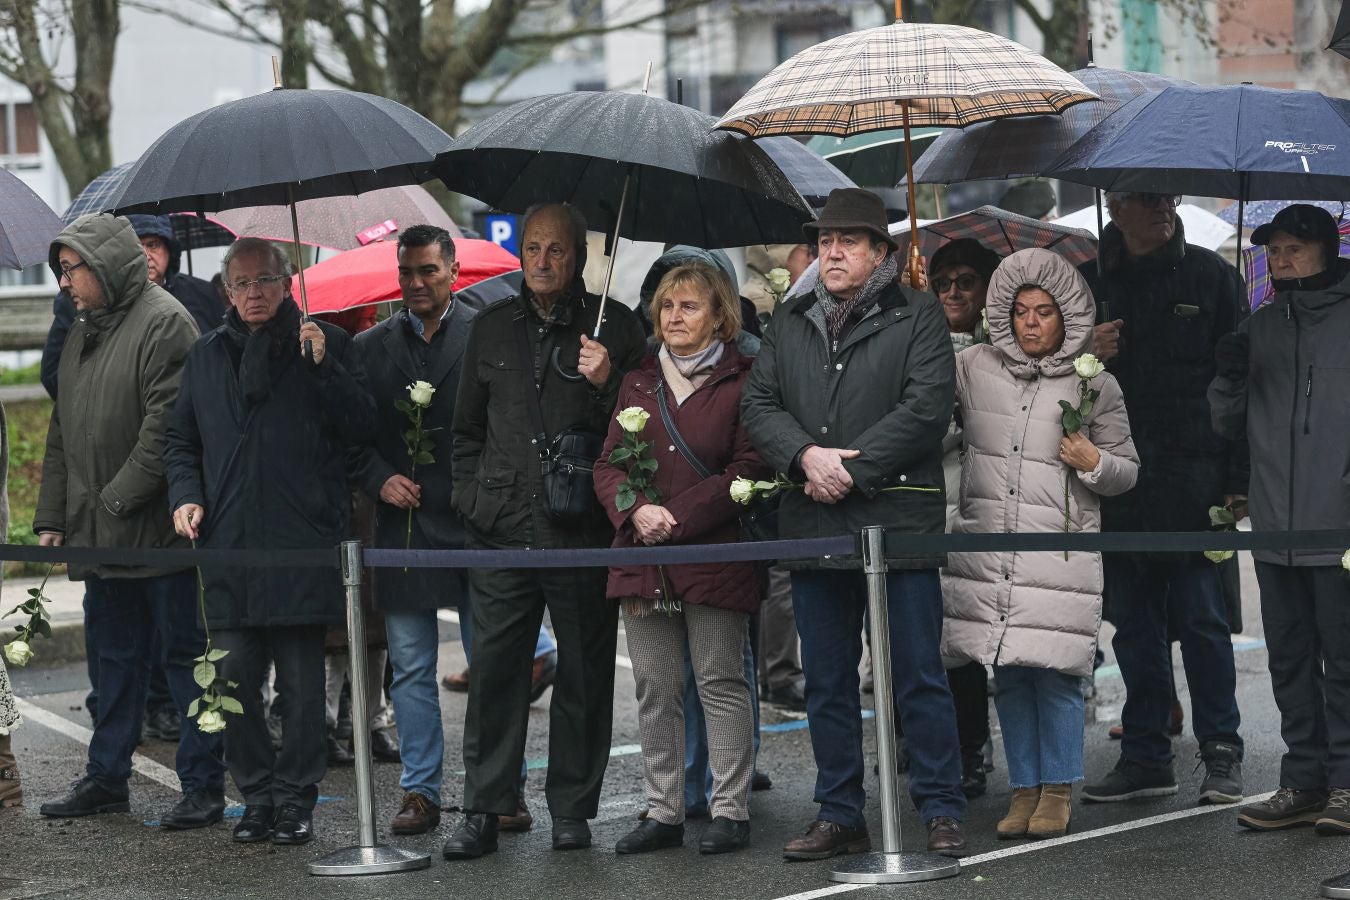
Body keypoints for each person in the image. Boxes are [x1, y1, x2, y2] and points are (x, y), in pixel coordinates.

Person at [741, 187, 969, 860]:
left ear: (880, 253)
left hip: (896, 520)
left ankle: (941, 805)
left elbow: (928, 408)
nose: (831, 252)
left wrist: (851, 469)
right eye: (825, 242)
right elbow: (760, 404)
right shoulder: (790, 318)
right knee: (830, 681)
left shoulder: (920, 314)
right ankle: (840, 811)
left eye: (848, 242)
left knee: (917, 675)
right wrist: (805, 456)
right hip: (815, 523)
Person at [444, 203, 646, 859]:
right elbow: (466, 431)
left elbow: (644, 428)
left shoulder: (615, 326)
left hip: (581, 528)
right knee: (496, 674)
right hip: (500, 528)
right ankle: (484, 807)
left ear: (578, 256)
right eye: (532, 247)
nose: (541, 260)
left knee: (586, 676)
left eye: (555, 249)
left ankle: (572, 810)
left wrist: (609, 379)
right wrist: (472, 497)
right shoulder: (491, 326)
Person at [164, 237, 375, 846]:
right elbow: (181, 441)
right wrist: (185, 495)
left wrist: (324, 367)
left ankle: (295, 798)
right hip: (229, 547)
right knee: (230, 680)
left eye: (265, 281)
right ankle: (255, 795)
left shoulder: (324, 343)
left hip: (300, 542)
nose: (253, 293)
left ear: (288, 283)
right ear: (226, 292)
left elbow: (361, 427)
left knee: (303, 691)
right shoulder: (206, 355)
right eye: (241, 284)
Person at [33, 213, 225, 827]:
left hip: (159, 535)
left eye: (71, 270)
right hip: (100, 536)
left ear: (104, 265)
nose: (65, 283)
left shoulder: (165, 321)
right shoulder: (84, 326)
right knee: (112, 666)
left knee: (185, 663)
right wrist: (55, 514)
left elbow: (166, 430)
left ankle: (202, 786)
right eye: (61, 272)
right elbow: (64, 429)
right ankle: (106, 776)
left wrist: (111, 501)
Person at [942, 248, 1140, 840]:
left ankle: (1057, 789)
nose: (1032, 322)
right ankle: (1023, 787)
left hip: (1057, 552)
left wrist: (1094, 462)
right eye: (1023, 311)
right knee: (1007, 670)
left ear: (1067, 317)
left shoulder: (1094, 382)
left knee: (1053, 671)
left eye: (1045, 312)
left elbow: (1127, 471)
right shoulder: (972, 365)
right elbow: (937, 425)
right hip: (986, 547)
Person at [593, 262, 767, 855]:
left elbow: (749, 468)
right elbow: (608, 464)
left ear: (720, 316)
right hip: (643, 556)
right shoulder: (638, 382)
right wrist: (637, 511)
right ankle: (662, 811)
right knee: (655, 689)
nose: (674, 318)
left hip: (714, 554)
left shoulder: (745, 381)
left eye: (690, 307)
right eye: (667, 307)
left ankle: (730, 809)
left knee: (721, 682)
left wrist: (679, 518)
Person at [1079, 191, 1247, 806]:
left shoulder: (1213, 276)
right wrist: (1084, 353)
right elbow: (1049, 375)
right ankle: (1146, 753)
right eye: (1144, 198)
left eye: (1166, 196)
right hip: (1115, 482)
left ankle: (1222, 752)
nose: (1161, 208)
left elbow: (1241, 382)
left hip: (1196, 480)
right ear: (1114, 207)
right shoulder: (1086, 283)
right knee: (1133, 626)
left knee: (1204, 621)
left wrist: (1240, 477)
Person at [1209, 204, 1350, 834]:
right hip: (1274, 526)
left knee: (1345, 660)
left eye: (1294, 246)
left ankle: (1347, 784)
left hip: (1337, 525)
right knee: (1289, 657)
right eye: (1274, 248)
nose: (1281, 257)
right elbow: (1226, 425)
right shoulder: (1260, 324)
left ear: (1326, 249)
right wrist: (1230, 374)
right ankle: (1303, 781)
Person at [350, 224, 474, 836]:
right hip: (401, 525)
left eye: (428, 270)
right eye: (407, 272)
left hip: (474, 524)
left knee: (492, 664)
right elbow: (353, 439)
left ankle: (492, 789)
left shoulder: (484, 334)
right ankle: (420, 791)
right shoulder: (370, 346)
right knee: (411, 670)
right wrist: (379, 479)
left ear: (453, 269)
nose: (417, 283)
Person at [930, 237, 1003, 798]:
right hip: (929, 502)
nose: (953, 291)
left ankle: (971, 748)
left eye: (966, 281)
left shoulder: (1004, 349)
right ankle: (924, 743)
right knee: (921, 637)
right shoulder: (916, 341)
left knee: (968, 641)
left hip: (984, 506)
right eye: (944, 281)